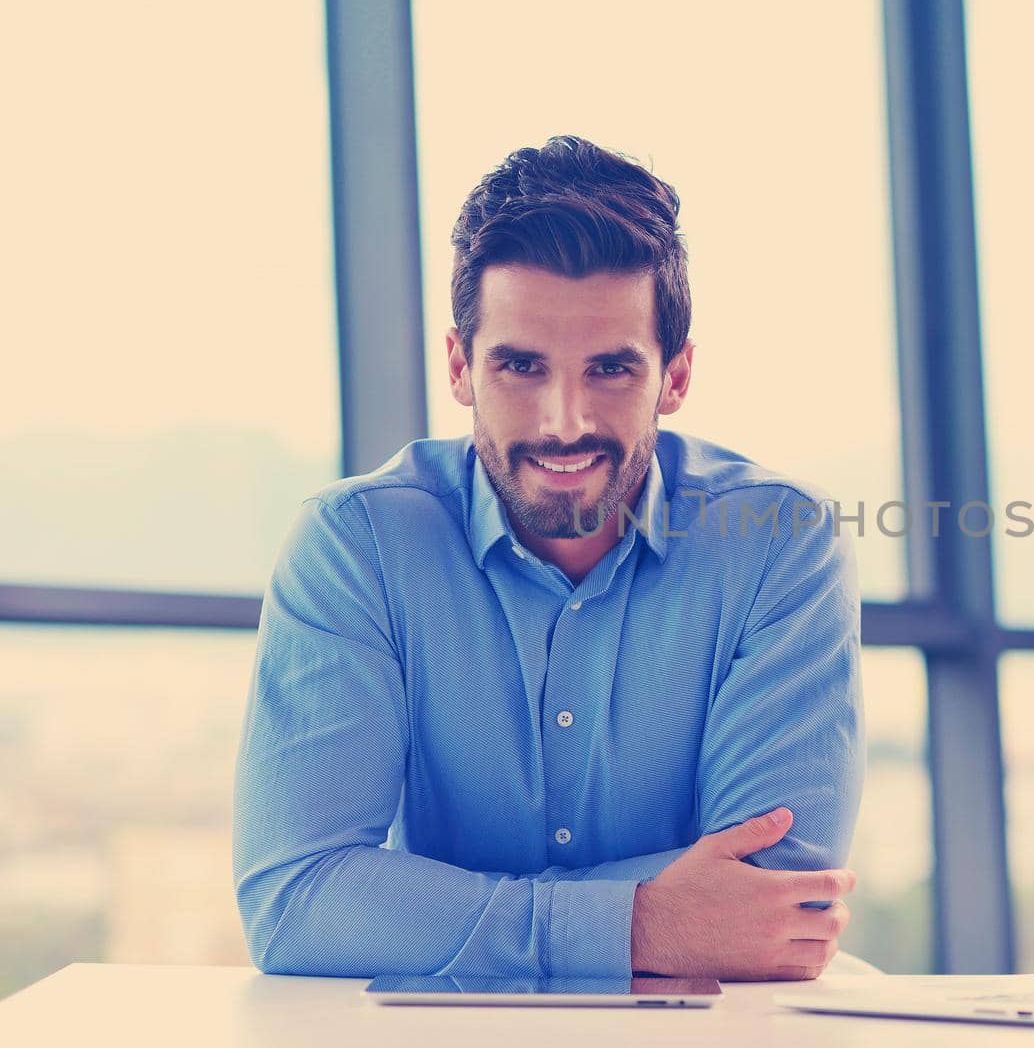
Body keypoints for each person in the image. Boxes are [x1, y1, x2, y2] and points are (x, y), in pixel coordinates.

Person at [233, 135, 863, 982]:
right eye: (521, 366)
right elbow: (297, 901)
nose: (564, 421)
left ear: (674, 377)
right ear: (460, 366)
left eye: (609, 369)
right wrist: (641, 925)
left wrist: (422, 909)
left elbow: (774, 905)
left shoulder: (778, 544)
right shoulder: (360, 545)